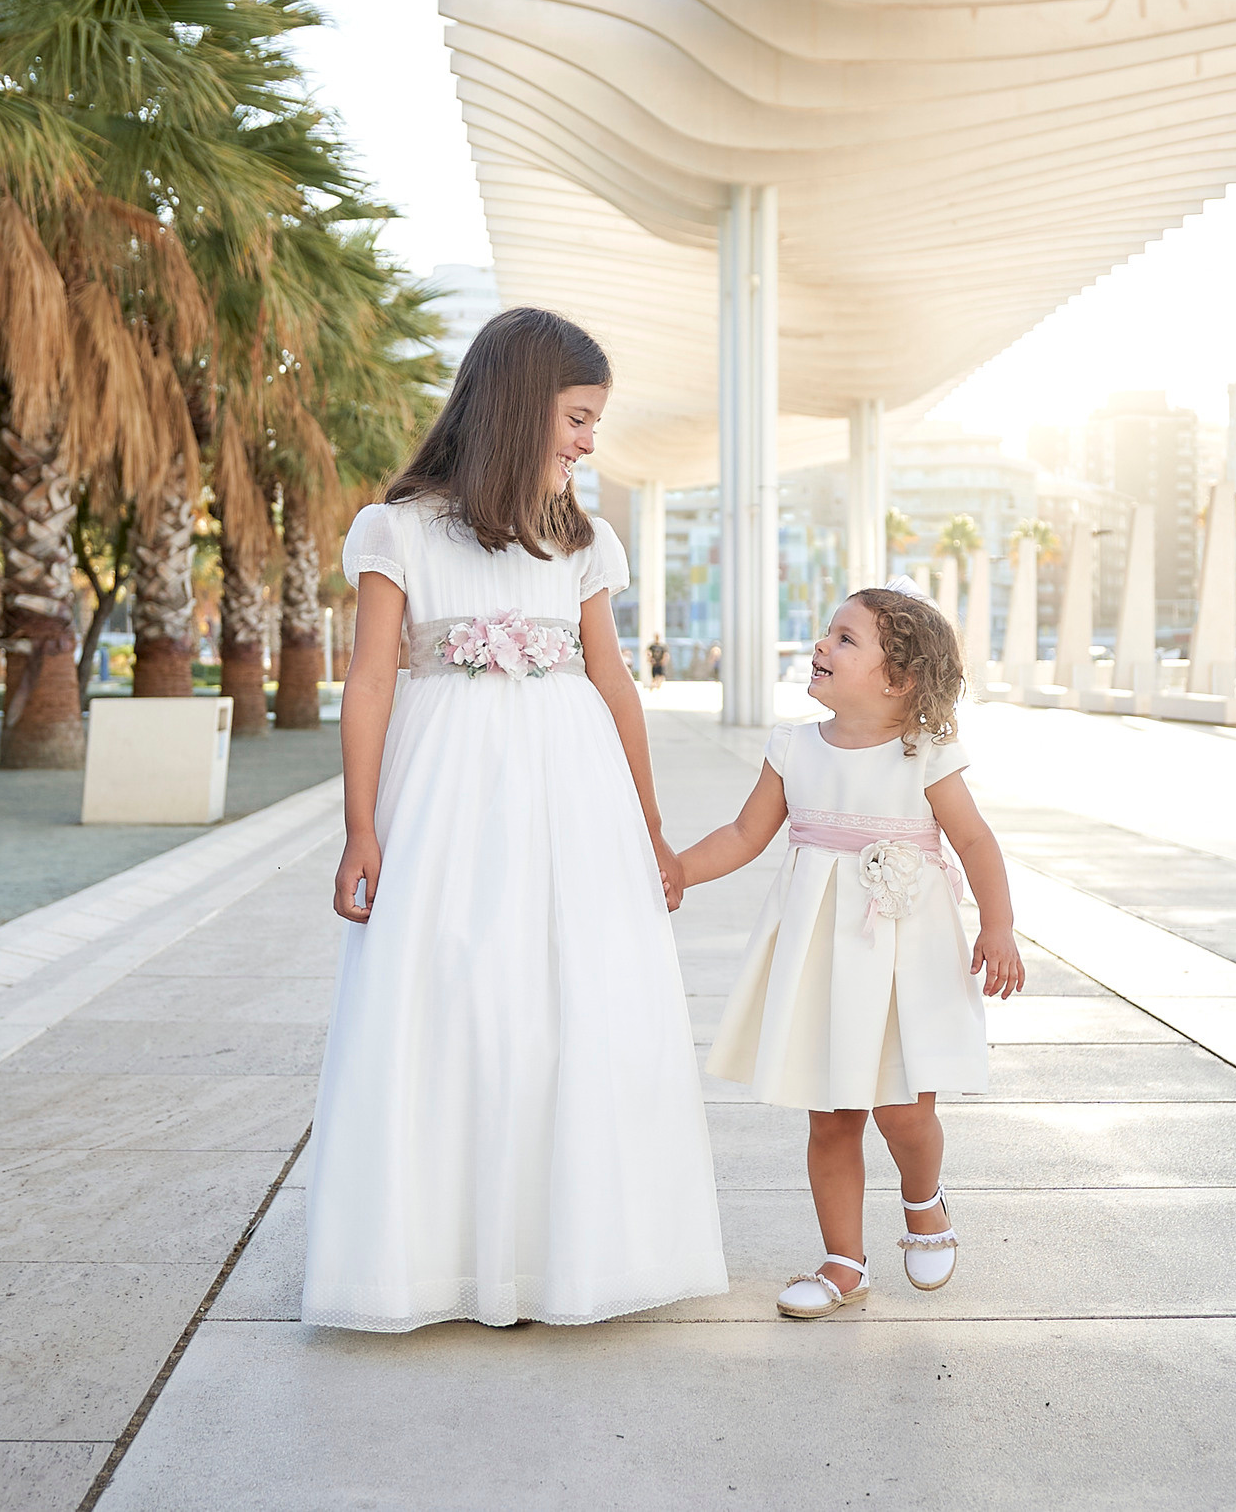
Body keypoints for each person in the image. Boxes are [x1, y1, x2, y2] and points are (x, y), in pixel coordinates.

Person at [301, 307, 728, 1331]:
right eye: (577, 418)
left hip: (569, 789)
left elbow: (615, 684)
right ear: (516, 404)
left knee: (574, 997)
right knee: (449, 991)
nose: (588, 442)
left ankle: (563, 1254)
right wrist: (361, 828)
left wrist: (651, 825)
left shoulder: (581, 539)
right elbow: (367, 684)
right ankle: (437, 1260)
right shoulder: (397, 530)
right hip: (445, 789)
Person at [678, 582, 1023, 1320]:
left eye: (843, 638)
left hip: (905, 958)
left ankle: (923, 1199)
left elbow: (973, 840)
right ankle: (843, 1261)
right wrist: (679, 868)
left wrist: (998, 925)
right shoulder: (794, 747)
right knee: (831, 1116)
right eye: (827, 634)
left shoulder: (923, 752)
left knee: (903, 1109)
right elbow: (744, 836)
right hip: (825, 958)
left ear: (897, 679)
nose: (820, 646)